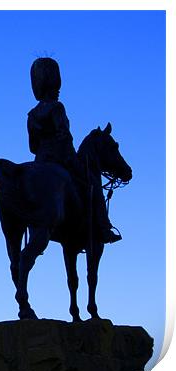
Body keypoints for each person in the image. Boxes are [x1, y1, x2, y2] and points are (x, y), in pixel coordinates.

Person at [27, 57, 121, 244]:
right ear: (53, 83)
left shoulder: (32, 114)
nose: (59, 90)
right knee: (93, 182)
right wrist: (72, 157)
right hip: (61, 158)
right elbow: (64, 136)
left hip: (40, 160)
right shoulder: (57, 108)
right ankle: (104, 227)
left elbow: (32, 146)